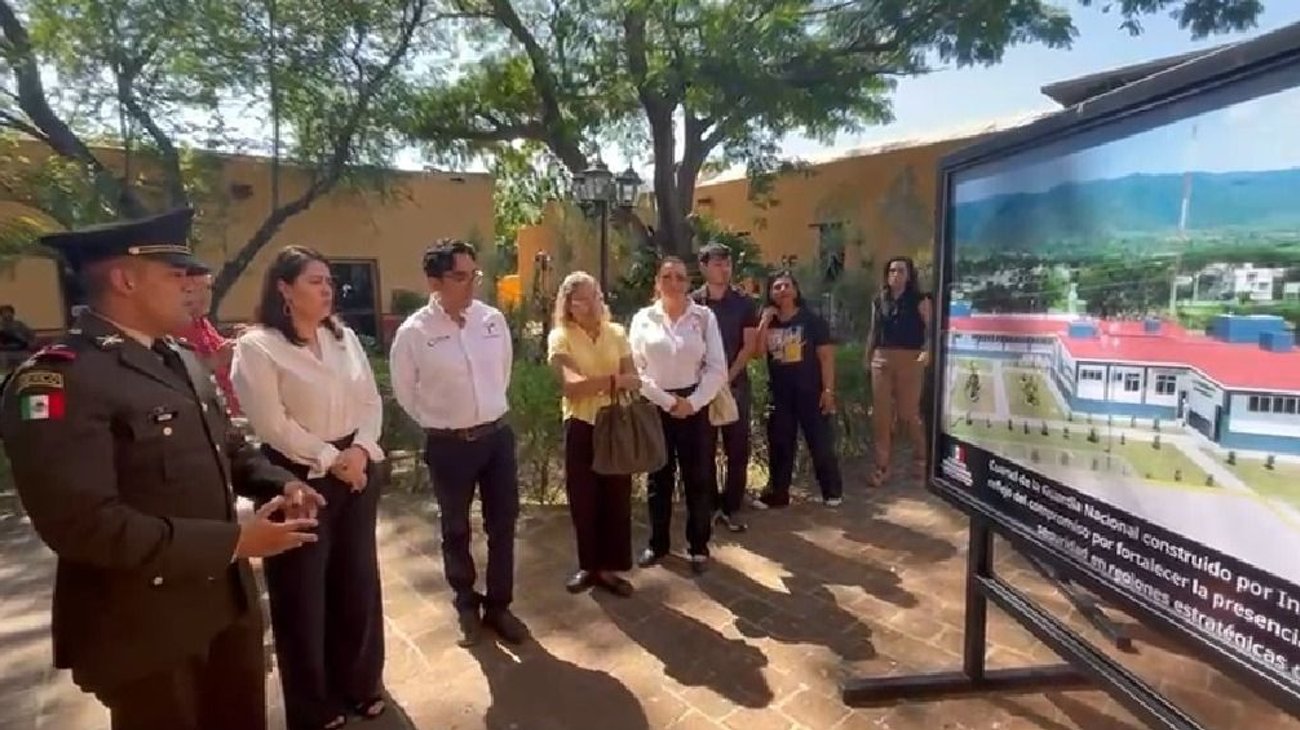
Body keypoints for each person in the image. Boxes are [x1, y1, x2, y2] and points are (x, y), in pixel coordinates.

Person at [0, 208, 324, 730]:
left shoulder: (179, 357)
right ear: (125, 280)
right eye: (176, 275)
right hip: (145, 629)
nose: (192, 286)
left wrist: (281, 481)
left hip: (226, 606)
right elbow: (83, 524)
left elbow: (228, 448)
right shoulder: (60, 380)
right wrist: (236, 542)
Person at [231, 246, 388, 730]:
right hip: (296, 478)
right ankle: (312, 704)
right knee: (302, 594)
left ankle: (360, 683)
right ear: (284, 288)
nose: (327, 289)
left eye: (329, 281)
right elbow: (272, 423)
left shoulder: (342, 337)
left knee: (356, 581)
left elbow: (370, 400)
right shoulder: (258, 346)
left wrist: (359, 451)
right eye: (315, 281)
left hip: (356, 469)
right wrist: (330, 459)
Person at [388, 239, 528, 646]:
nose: (471, 284)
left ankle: (499, 605)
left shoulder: (491, 320)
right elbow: (405, 392)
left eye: (474, 275)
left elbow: (502, 372)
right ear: (434, 282)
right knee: (455, 527)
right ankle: (466, 602)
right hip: (449, 446)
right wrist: (443, 422)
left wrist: (483, 410)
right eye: (460, 277)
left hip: (496, 438)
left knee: (503, 524)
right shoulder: (414, 333)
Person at [629, 256, 727, 574]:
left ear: (688, 283)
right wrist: (667, 401)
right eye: (667, 277)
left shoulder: (704, 317)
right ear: (657, 282)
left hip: (694, 405)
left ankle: (698, 546)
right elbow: (635, 369)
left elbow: (717, 368)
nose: (674, 283)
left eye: (680, 277)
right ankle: (658, 543)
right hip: (657, 404)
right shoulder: (643, 319)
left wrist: (693, 402)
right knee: (659, 477)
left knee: (698, 477)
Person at [546, 272, 641, 596]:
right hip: (581, 424)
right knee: (584, 499)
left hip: (614, 424)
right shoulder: (560, 337)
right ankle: (589, 565)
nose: (590, 305)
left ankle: (610, 568)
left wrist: (600, 383)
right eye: (581, 300)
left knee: (616, 497)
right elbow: (572, 387)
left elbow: (634, 377)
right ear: (568, 305)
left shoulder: (617, 332)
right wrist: (613, 381)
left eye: (595, 297)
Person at [752, 270, 843, 508]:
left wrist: (828, 391)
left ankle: (832, 491)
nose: (782, 290)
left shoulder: (812, 320)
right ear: (770, 293)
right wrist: (764, 322)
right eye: (777, 287)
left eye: (787, 286)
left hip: (811, 392)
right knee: (780, 444)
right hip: (780, 394)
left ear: (795, 290)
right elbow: (758, 352)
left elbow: (826, 357)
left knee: (820, 442)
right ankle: (778, 494)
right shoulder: (768, 320)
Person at [691, 242, 759, 533]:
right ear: (704, 267)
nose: (724, 269)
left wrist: (726, 377)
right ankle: (709, 507)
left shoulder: (744, 303)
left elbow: (749, 345)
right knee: (703, 450)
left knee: (738, 448)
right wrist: (708, 382)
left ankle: (732, 507)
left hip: (735, 385)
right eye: (718, 264)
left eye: (727, 264)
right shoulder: (693, 303)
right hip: (701, 388)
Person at [864, 256, 932, 487]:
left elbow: (930, 328)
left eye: (901, 271)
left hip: (910, 358)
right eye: (892, 271)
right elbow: (873, 330)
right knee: (881, 415)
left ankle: (922, 458)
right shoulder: (879, 300)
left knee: (908, 413)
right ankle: (882, 466)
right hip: (881, 358)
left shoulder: (920, 300)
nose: (896, 275)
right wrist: (867, 357)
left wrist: (928, 350)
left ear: (909, 275)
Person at [174, 263, 241, 415]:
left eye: (208, 288)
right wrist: (217, 360)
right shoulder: (175, 326)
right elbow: (180, 375)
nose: (205, 296)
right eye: (193, 290)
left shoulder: (201, 322)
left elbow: (221, 348)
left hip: (233, 408)